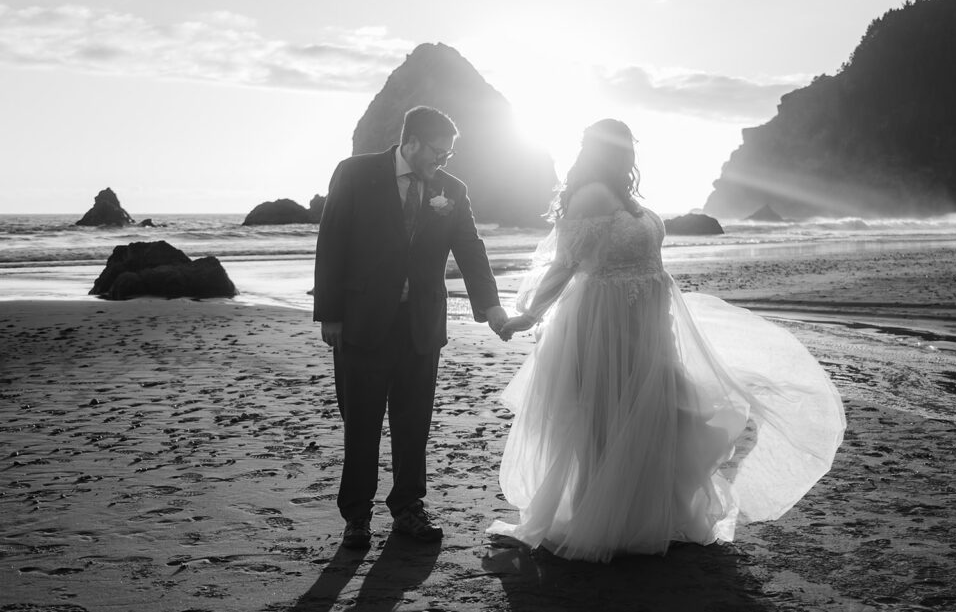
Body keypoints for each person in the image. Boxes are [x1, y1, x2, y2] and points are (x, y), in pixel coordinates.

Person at [489, 119, 846, 563]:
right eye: (625, 147)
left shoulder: (622, 195)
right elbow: (564, 264)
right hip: (607, 325)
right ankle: (597, 521)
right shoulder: (592, 195)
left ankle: (648, 516)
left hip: (647, 323)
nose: (632, 154)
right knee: (607, 423)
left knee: (659, 416)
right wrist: (528, 315)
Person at [315, 106, 508, 549]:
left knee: (413, 421)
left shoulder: (452, 189)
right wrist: (330, 314)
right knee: (360, 422)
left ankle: (408, 507)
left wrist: (491, 306)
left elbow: (470, 249)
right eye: (438, 151)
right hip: (361, 320)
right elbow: (332, 242)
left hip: (421, 323)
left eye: (449, 153)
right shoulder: (355, 173)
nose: (443, 160)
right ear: (413, 141)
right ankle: (356, 516)